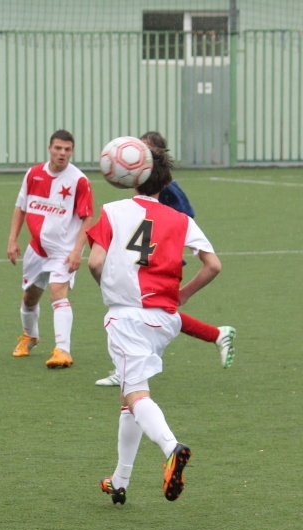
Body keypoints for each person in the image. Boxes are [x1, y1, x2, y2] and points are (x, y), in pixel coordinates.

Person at [86, 141, 222, 505]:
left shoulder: (112, 211)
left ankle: (171, 447)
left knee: (136, 394)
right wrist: (186, 294)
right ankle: (120, 479)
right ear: (165, 183)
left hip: (127, 318)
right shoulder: (182, 220)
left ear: (132, 177)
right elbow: (213, 265)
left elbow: (95, 264)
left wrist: (113, 288)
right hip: (164, 320)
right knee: (128, 397)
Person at [95, 131, 235, 386]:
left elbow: (185, 214)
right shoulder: (131, 200)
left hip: (158, 255)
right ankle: (216, 335)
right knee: (158, 314)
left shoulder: (167, 191)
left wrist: (167, 228)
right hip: (142, 252)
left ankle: (130, 372)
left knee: (151, 312)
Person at [7, 129, 95, 368]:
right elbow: (20, 207)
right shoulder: (33, 174)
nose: (62, 153)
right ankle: (30, 336)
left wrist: (77, 251)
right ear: (50, 148)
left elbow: (87, 218)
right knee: (29, 298)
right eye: (58, 148)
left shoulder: (79, 180)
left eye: (67, 149)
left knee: (58, 292)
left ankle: (62, 351)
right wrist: (12, 240)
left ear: (72, 151)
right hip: (36, 250)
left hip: (63, 252)